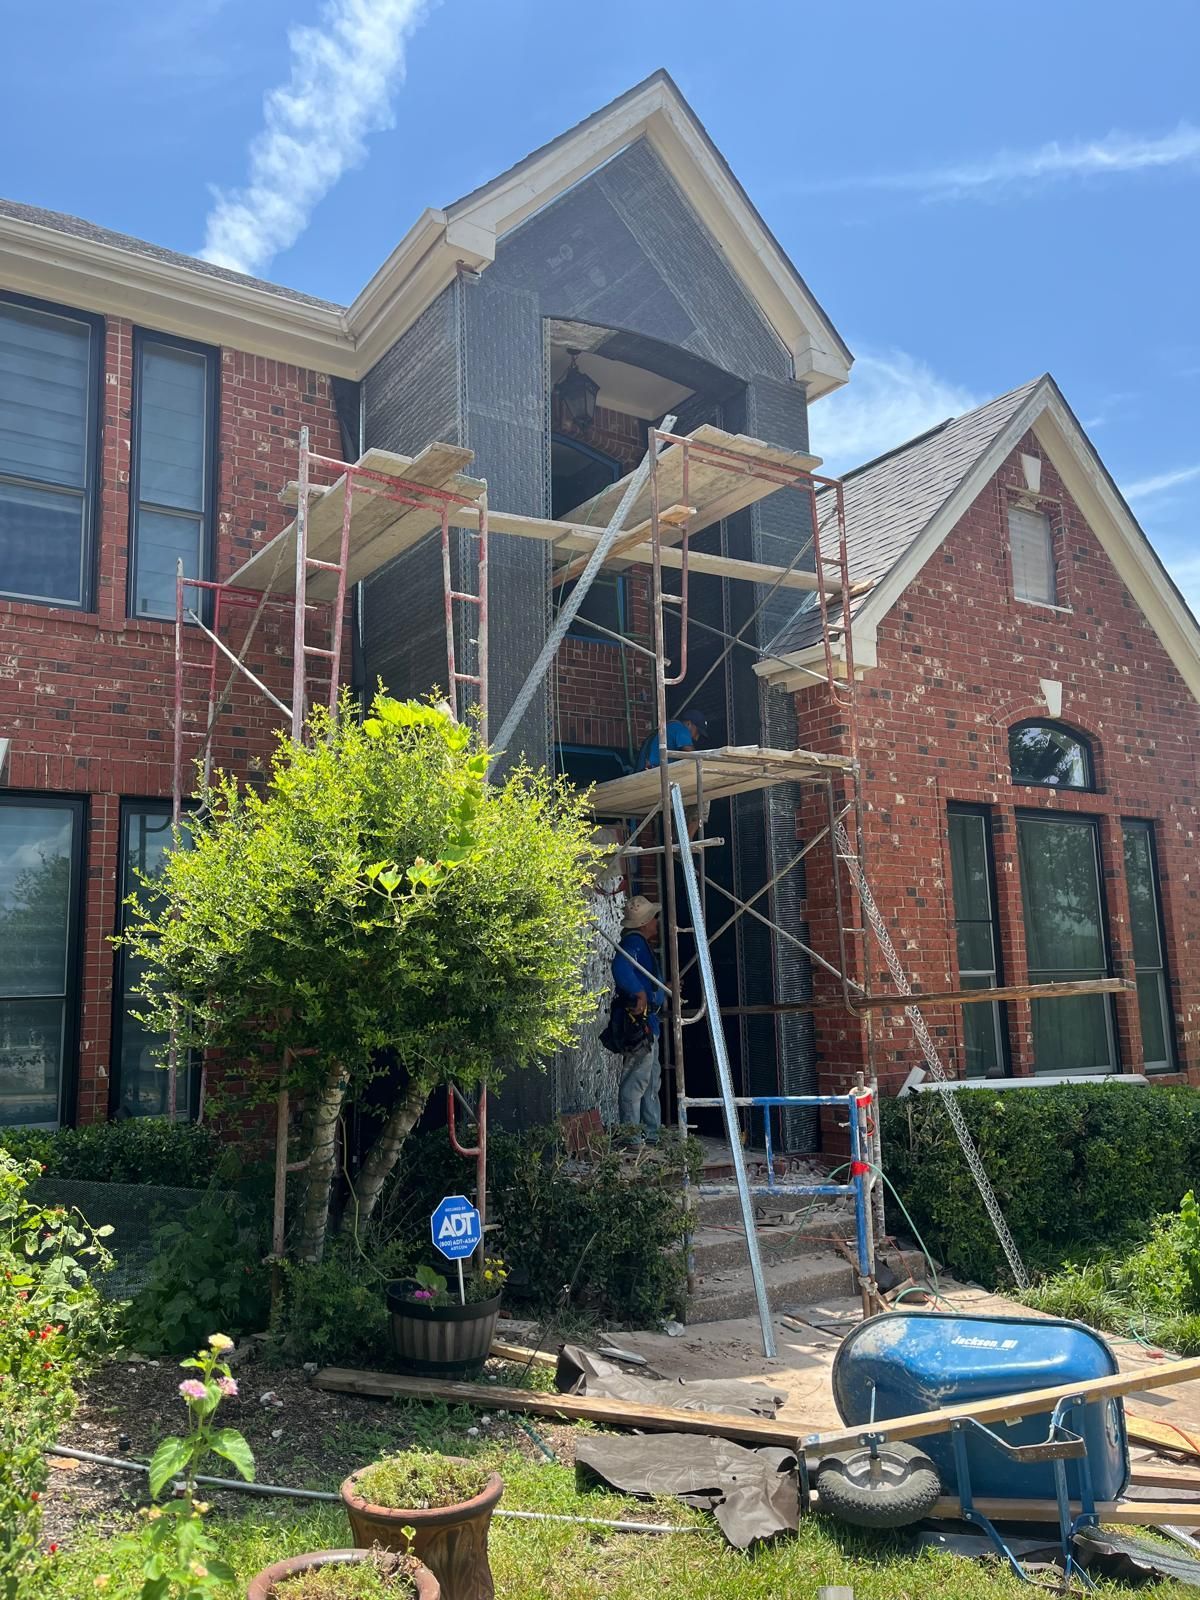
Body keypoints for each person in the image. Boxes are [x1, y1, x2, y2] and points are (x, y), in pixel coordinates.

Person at [611, 894, 666, 1143]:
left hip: (649, 1022)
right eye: (653, 918)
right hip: (640, 1023)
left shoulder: (640, 944)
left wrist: (662, 988)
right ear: (644, 923)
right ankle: (631, 1136)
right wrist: (640, 992)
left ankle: (651, 1133)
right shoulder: (633, 942)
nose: (656, 923)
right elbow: (620, 967)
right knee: (636, 1080)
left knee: (650, 1081)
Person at [635, 708, 707, 771]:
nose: (697, 738)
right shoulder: (680, 728)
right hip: (651, 769)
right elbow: (692, 754)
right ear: (689, 724)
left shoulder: (670, 726)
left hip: (645, 769)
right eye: (697, 732)